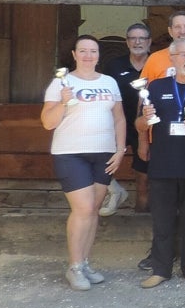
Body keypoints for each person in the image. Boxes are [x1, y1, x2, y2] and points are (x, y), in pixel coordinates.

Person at [41, 34, 127, 291]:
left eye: (93, 51)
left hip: (103, 152)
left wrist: (120, 149)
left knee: (93, 210)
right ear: (75, 54)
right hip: (71, 153)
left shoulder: (109, 82)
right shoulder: (62, 83)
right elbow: (47, 122)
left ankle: (85, 262)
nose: (89, 55)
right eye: (83, 50)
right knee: (84, 209)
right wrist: (64, 102)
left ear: (99, 55)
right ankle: (74, 266)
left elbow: (119, 118)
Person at [135, 39, 185, 288]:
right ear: (173, 58)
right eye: (183, 54)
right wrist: (144, 123)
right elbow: (139, 124)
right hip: (163, 163)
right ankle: (160, 268)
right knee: (162, 218)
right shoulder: (155, 87)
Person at [102, 22, 152, 219]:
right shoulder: (114, 66)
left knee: (143, 180)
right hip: (117, 126)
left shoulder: (157, 62)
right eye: (133, 38)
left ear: (149, 41)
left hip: (146, 128)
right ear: (127, 41)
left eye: (142, 38)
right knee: (99, 163)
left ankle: (141, 219)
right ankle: (115, 191)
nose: (137, 42)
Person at [141, 10, 185, 83]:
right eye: (177, 27)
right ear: (170, 31)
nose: (182, 31)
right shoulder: (155, 59)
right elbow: (145, 91)